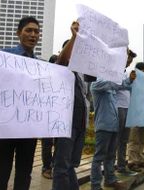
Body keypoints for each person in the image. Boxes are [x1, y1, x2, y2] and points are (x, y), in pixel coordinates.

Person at [0, 16, 40, 190]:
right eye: (28, 30)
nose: (33, 34)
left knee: (24, 174)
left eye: (36, 31)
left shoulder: (41, 66)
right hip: (5, 127)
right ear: (19, 33)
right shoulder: (1, 56)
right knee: (0, 173)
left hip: (29, 130)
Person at [52, 21, 88, 190]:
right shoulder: (60, 67)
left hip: (80, 124)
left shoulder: (81, 72)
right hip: (65, 125)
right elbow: (62, 60)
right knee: (61, 166)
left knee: (71, 164)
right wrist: (74, 37)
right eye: (73, 48)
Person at [90, 60, 136, 190]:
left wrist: (130, 80)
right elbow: (112, 83)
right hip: (103, 126)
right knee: (99, 157)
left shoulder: (111, 87)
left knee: (111, 155)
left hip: (114, 125)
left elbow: (123, 85)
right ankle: (95, 185)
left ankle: (110, 180)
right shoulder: (97, 83)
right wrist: (116, 74)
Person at [115, 48, 137, 176]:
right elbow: (117, 86)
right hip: (118, 107)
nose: (129, 63)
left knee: (124, 140)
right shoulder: (114, 71)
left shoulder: (126, 73)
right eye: (128, 59)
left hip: (127, 108)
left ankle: (122, 166)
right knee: (116, 140)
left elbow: (130, 88)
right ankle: (111, 169)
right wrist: (129, 81)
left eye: (130, 61)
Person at [127, 62, 144, 172]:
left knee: (142, 138)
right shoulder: (132, 80)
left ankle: (140, 159)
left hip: (142, 113)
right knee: (134, 138)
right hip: (134, 113)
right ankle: (132, 161)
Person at [41, 54, 58, 179]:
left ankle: (54, 165)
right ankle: (46, 167)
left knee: (58, 143)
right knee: (47, 144)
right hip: (46, 116)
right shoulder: (45, 78)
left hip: (58, 116)